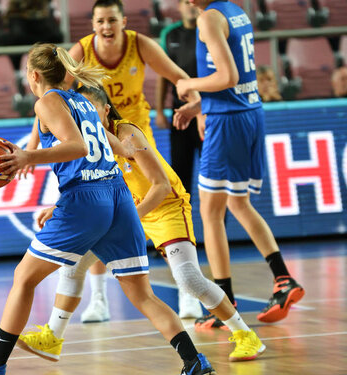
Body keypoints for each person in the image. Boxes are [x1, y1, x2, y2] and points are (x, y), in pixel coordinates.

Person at [0, 43, 215, 375]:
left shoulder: (48, 101)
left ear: (33, 75)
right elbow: (120, 148)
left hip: (86, 199)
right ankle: (193, 361)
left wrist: (27, 159)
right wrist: (130, 154)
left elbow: (78, 146)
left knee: (24, 278)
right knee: (142, 295)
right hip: (117, 195)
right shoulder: (81, 100)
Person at [18, 85, 265, 363]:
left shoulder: (128, 133)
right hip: (123, 208)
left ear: (106, 110)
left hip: (165, 206)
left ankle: (245, 335)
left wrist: (130, 218)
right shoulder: (87, 141)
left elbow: (160, 186)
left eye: (91, 109)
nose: (84, 116)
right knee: (75, 264)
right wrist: (59, 206)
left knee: (189, 279)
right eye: (80, 111)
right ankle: (52, 337)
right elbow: (88, 184)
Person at [67, 0, 204, 323]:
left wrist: (195, 99)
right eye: (100, 21)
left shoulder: (140, 44)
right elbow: (51, 94)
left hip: (136, 137)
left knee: (160, 204)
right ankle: (99, 300)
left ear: (123, 21)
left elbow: (176, 75)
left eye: (112, 20)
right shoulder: (81, 52)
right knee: (101, 215)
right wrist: (34, 143)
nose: (106, 27)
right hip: (100, 141)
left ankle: (187, 291)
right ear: (92, 24)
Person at [173, 0, 305, 327]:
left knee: (211, 211)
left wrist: (189, 86)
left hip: (228, 122)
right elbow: (239, 78)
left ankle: (224, 303)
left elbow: (228, 76)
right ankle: (283, 279)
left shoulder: (209, 18)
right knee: (239, 204)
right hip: (248, 114)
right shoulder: (236, 11)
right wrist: (200, 105)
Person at [155, 0, 202, 200]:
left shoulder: (210, 28)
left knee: (214, 179)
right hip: (180, 115)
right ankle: (184, 229)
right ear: (180, 6)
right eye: (185, 1)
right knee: (180, 177)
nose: (190, 6)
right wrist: (159, 111)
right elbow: (163, 75)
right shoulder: (170, 34)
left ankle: (219, 230)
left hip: (206, 112)